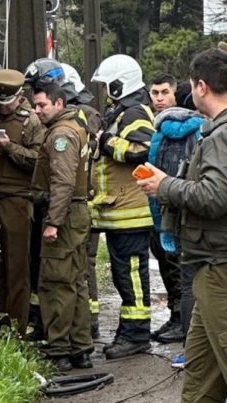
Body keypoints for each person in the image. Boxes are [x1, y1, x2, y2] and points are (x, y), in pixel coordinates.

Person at [136, 48, 227, 402]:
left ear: (200, 86)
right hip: (210, 266)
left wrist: (165, 186)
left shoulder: (220, 136)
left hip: (220, 268)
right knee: (200, 383)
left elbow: (216, 196)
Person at [90, 54, 155, 359]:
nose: (105, 91)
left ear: (120, 83)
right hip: (119, 211)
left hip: (131, 212)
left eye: (107, 85)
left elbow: (144, 149)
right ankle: (128, 331)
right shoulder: (121, 112)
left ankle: (137, 334)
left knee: (131, 276)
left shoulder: (134, 113)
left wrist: (107, 143)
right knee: (123, 276)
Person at [31, 83, 93, 372]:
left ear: (58, 103)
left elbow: (63, 181)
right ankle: (80, 349)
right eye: (35, 105)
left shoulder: (61, 134)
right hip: (75, 213)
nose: (37, 110)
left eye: (42, 105)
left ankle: (59, 350)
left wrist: (53, 222)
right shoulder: (73, 127)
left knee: (56, 283)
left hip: (65, 215)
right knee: (75, 282)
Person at [0, 69, 46, 336]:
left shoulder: (31, 121)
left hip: (18, 201)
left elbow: (38, 161)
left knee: (16, 268)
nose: (2, 108)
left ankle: (17, 326)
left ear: (19, 95)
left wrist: (9, 147)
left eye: (7, 102)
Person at [61, 62, 103, 339]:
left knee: (83, 263)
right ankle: (87, 322)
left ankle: (88, 322)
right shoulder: (87, 114)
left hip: (83, 201)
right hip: (85, 200)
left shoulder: (83, 117)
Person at [146, 75, 187, 345]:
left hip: (174, 205)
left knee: (177, 267)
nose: (159, 98)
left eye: (164, 93)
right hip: (157, 207)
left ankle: (181, 319)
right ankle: (175, 315)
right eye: (155, 93)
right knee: (166, 265)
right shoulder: (157, 125)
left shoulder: (180, 128)